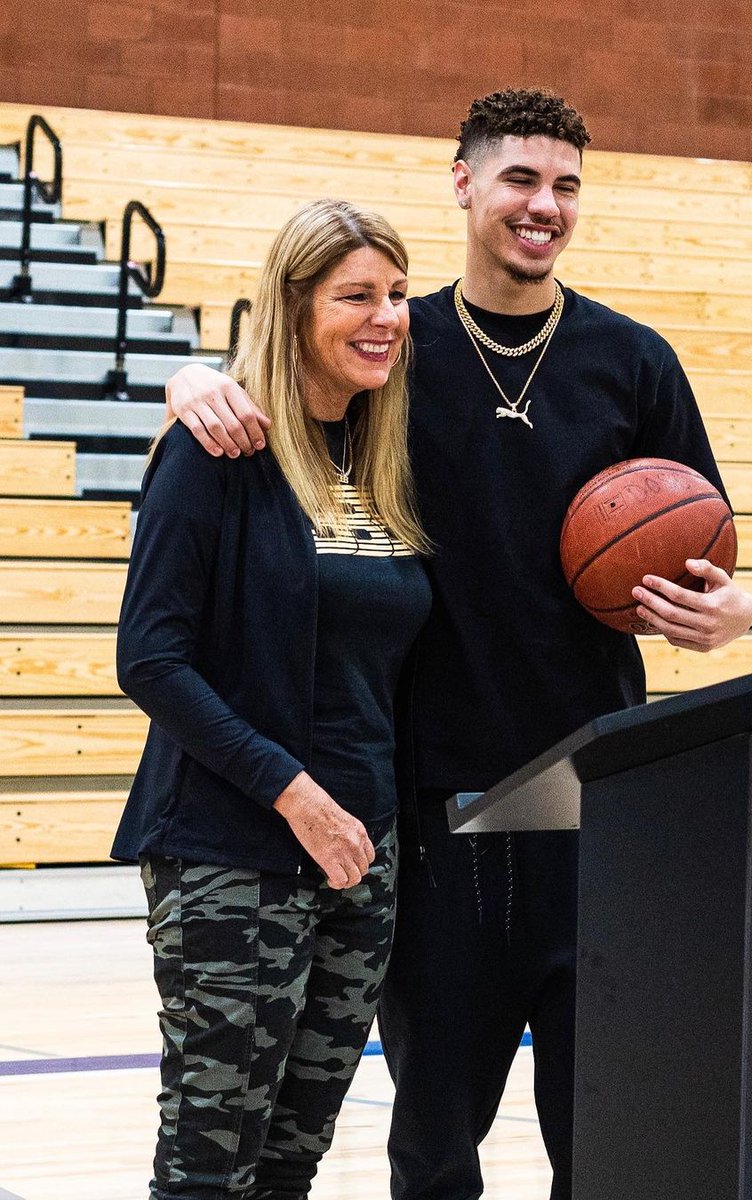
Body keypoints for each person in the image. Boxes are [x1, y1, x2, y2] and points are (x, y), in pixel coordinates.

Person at [164, 89, 752, 1200]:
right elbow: (276, 396)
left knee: (608, 1136)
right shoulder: (395, 346)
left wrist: (735, 613)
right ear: (464, 183)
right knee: (434, 1147)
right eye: (519, 178)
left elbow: (710, 557)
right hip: (432, 806)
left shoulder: (634, 362)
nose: (544, 205)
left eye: (566, 185)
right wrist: (191, 378)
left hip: (597, 797)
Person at [111, 198, 432, 1200]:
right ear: (294, 308)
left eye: (398, 294)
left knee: (293, 1163)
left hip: (361, 856)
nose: (386, 317)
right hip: (232, 849)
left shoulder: (384, 460)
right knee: (210, 1167)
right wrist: (296, 794)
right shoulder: (216, 450)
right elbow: (150, 660)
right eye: (356, 296)